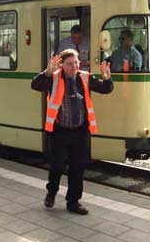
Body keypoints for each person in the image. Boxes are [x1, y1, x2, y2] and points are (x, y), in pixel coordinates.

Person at [31, 48, 113, 215]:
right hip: (59, 131)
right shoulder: (53, 78)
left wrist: (107, 78)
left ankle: (73, 202)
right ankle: (51, 192)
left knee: (78, 167)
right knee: (57, 165)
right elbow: (35, 85)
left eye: (76, 62)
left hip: (80, 131)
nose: (74, 66)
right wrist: (47, 72)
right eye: (70, 63)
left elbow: (105, 89)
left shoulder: (85, 77)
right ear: (62, 65)